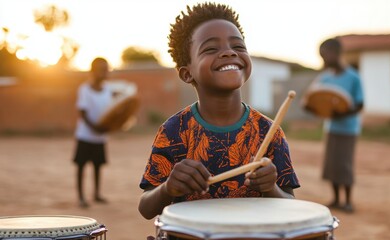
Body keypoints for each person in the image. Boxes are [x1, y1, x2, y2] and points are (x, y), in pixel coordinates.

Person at [138, 2, 300, 220]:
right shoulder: (173, 132)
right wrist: (168, 188)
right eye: (211, 49)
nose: (229, 53)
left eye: (238, 46)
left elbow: (290, 207)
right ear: (187, 74)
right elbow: (146, 208)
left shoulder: (269, 132)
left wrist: (271, 187)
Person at [307, 38, 364, 213]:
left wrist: (342, 113)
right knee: (331, 164)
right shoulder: (325, 77)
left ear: (337, 53)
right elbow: (311, 99)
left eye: (325, 56)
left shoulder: (353, 77)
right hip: (331, 128)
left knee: (344, 164)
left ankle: (348, 201)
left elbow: (360, 104)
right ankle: (336, 199)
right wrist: (311, 107)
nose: (323, 60)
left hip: (348, 129)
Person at [73, 57, 113, 208]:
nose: (104, 72)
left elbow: (111, 111)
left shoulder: (108, 89)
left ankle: (96, 194)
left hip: (100, 137)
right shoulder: (84, 89)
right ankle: (81, 197)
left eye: (106, 69)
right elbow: (82, 113)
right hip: (85, 135)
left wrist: (108, 126)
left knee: (98, 166)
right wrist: (95, 128)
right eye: (101, 69)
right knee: (81, 166)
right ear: (93, 71)